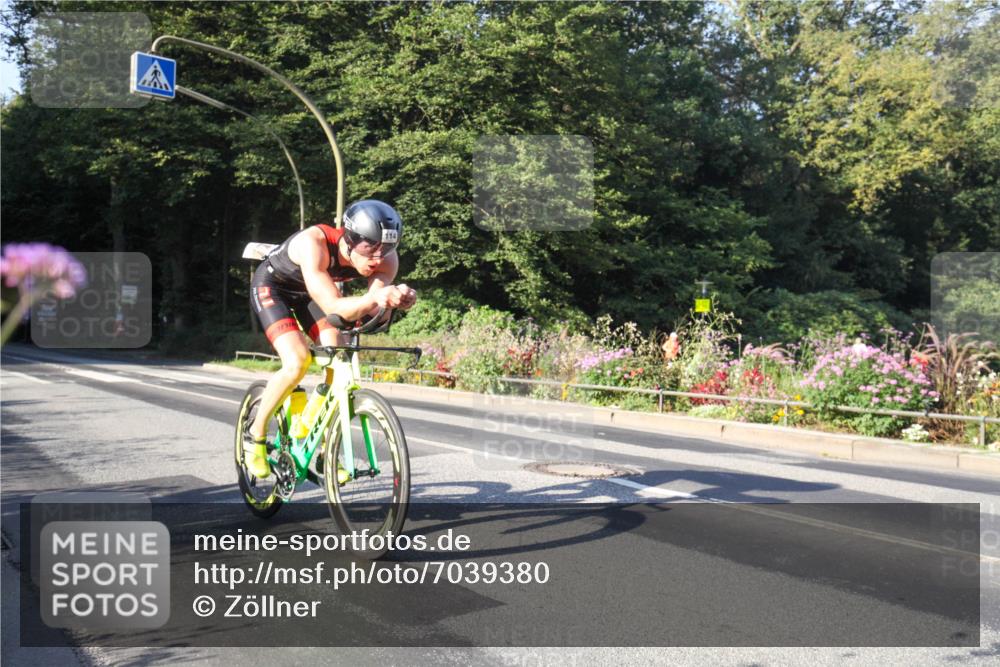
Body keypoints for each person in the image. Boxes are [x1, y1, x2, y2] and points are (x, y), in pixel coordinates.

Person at [246, 199, 417, 477]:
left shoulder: (386, 261)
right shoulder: (313, 243)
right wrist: (376, 297)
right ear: (349, 241)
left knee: (337, 359)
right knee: (298, 361)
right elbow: (336, 308)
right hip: (274, 288)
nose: (377, 257)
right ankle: (257, 434)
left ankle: (325, 449)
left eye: (386, 248)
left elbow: (372, 312)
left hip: (311, 297)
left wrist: (394, 302)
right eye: (370, 248)